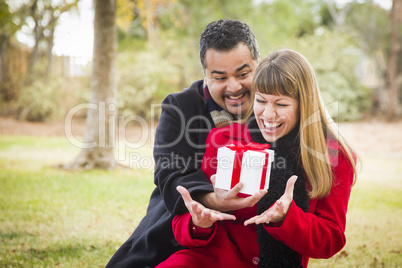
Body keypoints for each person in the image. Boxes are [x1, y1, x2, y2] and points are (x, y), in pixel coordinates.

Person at [156, 49, 358, 268]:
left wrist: (286, 218)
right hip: (207, 261)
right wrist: (198, 221)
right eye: (261, 101)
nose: (268, 115)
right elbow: (182, 225)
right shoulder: (225, 139)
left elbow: (331, 240)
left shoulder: (331, 156)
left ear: (304, 105)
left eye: (281, 105)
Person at [106, 19, 266, 268]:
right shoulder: (180, 108)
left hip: (252, 241)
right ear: (205, 75)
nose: (234, 87)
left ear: (259, 64)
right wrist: (213, 199)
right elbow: (171, 175)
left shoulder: (276, 107)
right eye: (220, 77)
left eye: (243, 74)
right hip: (181, 232)